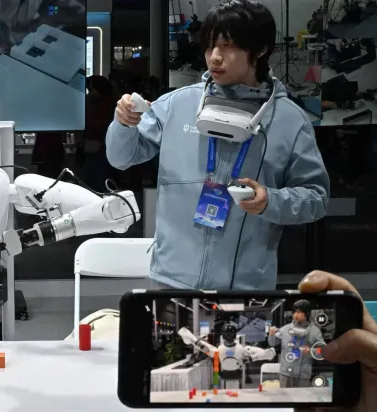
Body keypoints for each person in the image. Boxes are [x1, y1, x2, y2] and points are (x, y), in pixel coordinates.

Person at [105, 0, 330, 290]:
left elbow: (316, 198)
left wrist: (271, 202)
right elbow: (121, 157)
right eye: (210, 46)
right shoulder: (176, 105)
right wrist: (124, 124)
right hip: (171, 283)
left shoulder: (289, 120)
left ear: (260, 49)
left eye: (228, 46)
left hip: (247, 290)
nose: (215, 57)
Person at [296, 271, 377, 412]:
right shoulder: (290, 329)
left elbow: (322, 347)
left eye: (299, 312)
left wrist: (312, 351)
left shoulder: (315, 329)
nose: (296, 315)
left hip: (312, 369)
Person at [267, 300, 324, 388]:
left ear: (307, 313)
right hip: (285, 374)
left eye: (299, 312)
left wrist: (310, 351)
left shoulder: (315, 331)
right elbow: (272, 343)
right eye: (294, 312)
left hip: (303, 375)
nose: (295, 315)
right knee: (284, 396)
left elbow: (324, 352)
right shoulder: (285, 329)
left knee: (301, 397)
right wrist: (271, 334)